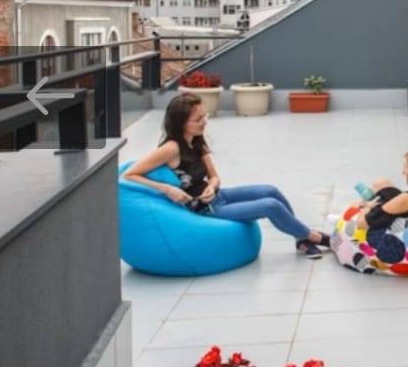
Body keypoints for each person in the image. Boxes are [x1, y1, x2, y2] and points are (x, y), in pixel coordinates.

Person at [123, 94, 330, 258]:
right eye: (198, 119)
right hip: (206, 209)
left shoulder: (196, 141)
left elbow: (214, 177)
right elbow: (130, 174)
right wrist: (168, 189)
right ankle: (317, 237)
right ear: (181, 123)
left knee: (270, 191)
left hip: (218, 196)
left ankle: (301, 239)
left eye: (204, 116)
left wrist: (212, 186)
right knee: (270, 205)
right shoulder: (171, 148)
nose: (204, 122)